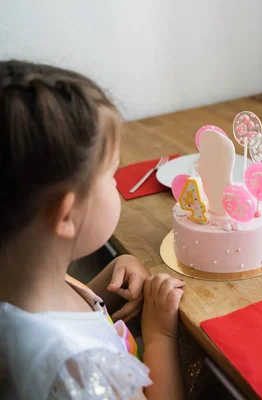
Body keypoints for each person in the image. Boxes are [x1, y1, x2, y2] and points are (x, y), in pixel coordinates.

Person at [0, 60, 185, 399]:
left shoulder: (20, 282)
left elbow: (68, 307)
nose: (116, 184)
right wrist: (159, 335)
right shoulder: (81, 371)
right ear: (67, 215)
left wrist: (111, 275)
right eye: (111, 175)